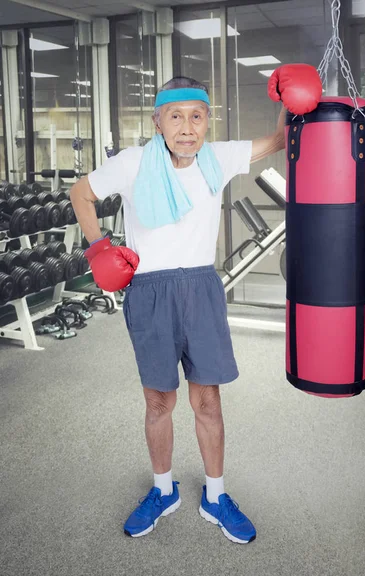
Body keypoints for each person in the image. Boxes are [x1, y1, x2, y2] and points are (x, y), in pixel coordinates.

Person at [70, 65, 321, 544]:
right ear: (157, 122)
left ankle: (215, 495)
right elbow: (80, 193)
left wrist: (291, 98)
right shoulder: (132, 162)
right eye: (176, 117)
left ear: (208, 122)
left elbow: (280, 140)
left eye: (198, 117)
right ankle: (164, 491)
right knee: (158, 401)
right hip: (150, 292)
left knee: (208, 399)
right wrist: (98, 247)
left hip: (202, 291)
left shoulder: (219, 157)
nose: (187, 128)